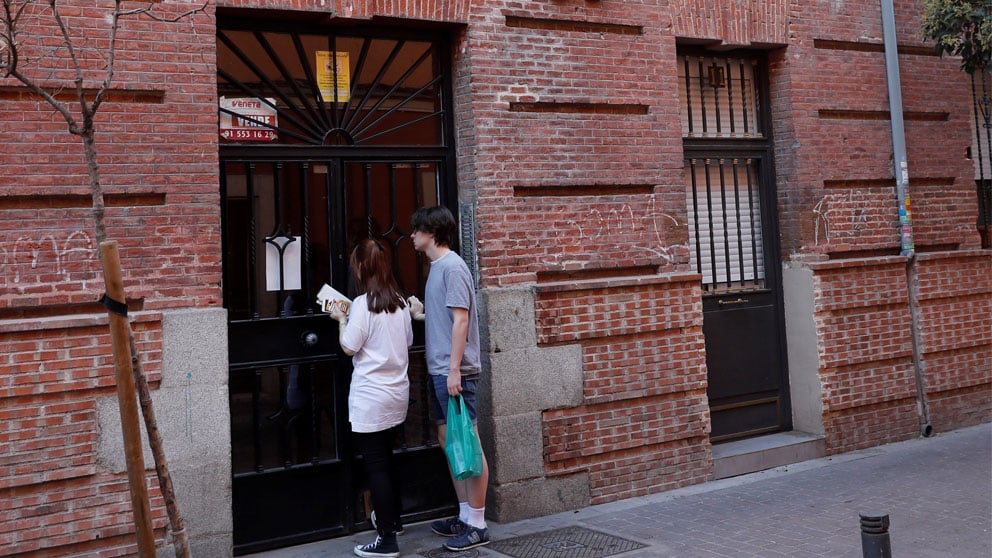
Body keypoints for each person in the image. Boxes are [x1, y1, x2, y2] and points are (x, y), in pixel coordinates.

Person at [407, 206, 491, 552]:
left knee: (468, 441)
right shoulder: (438, 267)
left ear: (432, 233)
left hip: (454, 371)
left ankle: (478, 523)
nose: (412, 235)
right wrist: (421, 315)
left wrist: (455, 369)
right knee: (448, 438)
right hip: (442, 368)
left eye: (417, 230)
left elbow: (461, 320)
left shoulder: (453, 267)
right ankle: (464, 514)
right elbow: (447, 317)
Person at [329, 239, 413, 558]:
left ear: (362, 269)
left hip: (371, 397)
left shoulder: (363, 305)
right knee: (388, 460)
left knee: (376, 466)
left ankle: (387, 539)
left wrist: (341, 320)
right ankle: (394, 519)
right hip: (396, 394)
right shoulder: (401, 303)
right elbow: (406, 342)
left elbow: (349, 347)